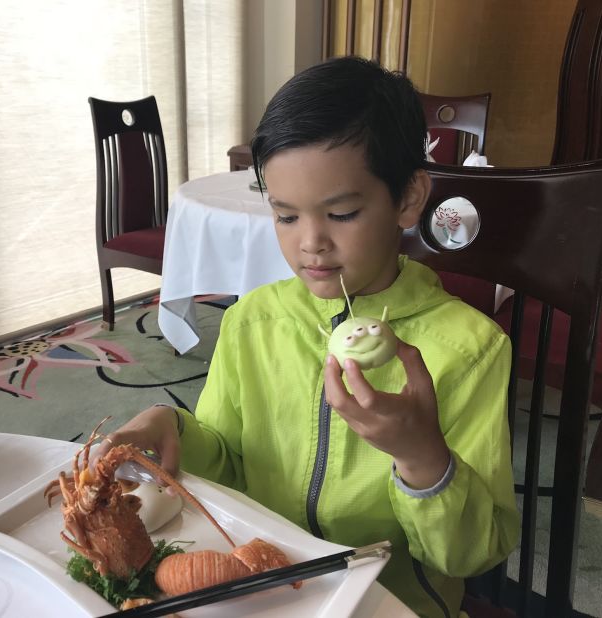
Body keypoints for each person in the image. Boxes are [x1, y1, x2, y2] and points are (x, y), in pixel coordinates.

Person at [105, 56, 520, 617]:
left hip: (388, 600)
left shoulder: (469, 348)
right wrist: (171, 425)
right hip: (261, 591)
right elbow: (228, 463)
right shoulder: (252, 321)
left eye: (342, 213)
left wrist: (423, 459)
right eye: (285, 216)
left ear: (408, 199)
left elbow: (469, 556)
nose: (311, 243)